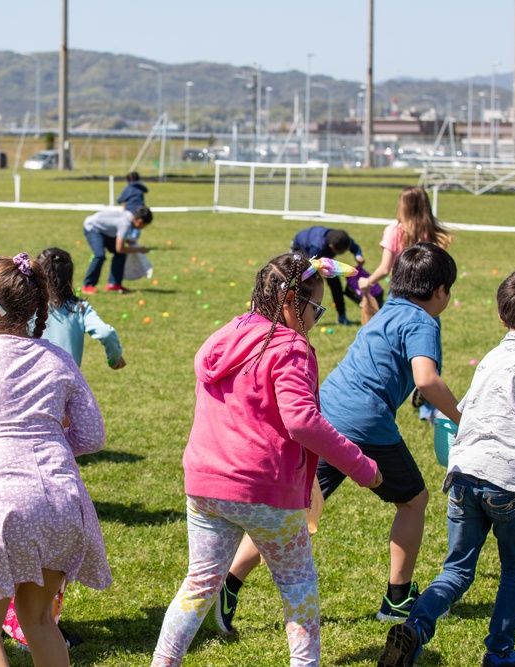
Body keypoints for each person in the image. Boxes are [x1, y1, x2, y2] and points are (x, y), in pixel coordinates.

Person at [215, 243, 461, 633]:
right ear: (439, 292)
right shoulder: (423, 321)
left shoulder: (391, 310)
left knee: (295, 511)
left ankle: (226, 587)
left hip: (325, 415)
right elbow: (425, 379)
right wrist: (463, 417)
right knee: (414, 500)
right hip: (366, 425)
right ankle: (397, 600)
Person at [151, 252, 381, 667]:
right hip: (264, 490)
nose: (317, 318)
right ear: (292, 300)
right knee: (297, 585)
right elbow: (302, 421)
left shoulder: (228, 333)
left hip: (205, 485)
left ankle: (163, 663)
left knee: (199, 584)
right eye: (316, 308)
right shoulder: (290, 347)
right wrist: (362, 467)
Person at [378, 269, 515, 667]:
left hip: (463, 474)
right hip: (507, 482)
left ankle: (414, 627)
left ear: (501, 318)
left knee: (457, 570)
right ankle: (499, 653)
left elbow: (467, 413)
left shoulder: (490, 360)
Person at [0, 252, 111, 666]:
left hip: (2, 504)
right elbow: (92, 435)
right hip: (64, 502)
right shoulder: (57, 357)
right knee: (40, 620)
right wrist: (51, 439)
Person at [36, 247, 125, 369]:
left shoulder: (26, 305)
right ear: (69, 277)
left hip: (30, 381)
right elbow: (105, 332)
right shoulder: (79, 308)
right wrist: (115, 357)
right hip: (67, 381)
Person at [359, 186, 452, 295]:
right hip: (427, 295)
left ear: (403, 206)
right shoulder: (433, 233)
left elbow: (385, 269)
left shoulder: (393, 231)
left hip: (400, 293)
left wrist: (368, 281)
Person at [291, 226, 367, 326]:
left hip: (324, 259)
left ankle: (342, 317)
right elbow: (309, 265)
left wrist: (358, 255)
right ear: (331, 247)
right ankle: (297, 317)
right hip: (301, 249)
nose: (343, 253)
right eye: (340, 252)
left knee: (336, 286)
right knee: (304, 285)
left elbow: (354, 247)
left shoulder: (342, 240)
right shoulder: (317, 248)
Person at [81, 206, 152, 294]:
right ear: (139, 221)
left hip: (105, 230)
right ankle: (88, 285)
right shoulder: (125, 224)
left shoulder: (129, 216)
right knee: (100, 255)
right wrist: (138, 249)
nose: (142, 228)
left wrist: (126, 241)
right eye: (143, 226)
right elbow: (120, 249)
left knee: (120, 255)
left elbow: (113, 229)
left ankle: (114, 284)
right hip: (93, 227)